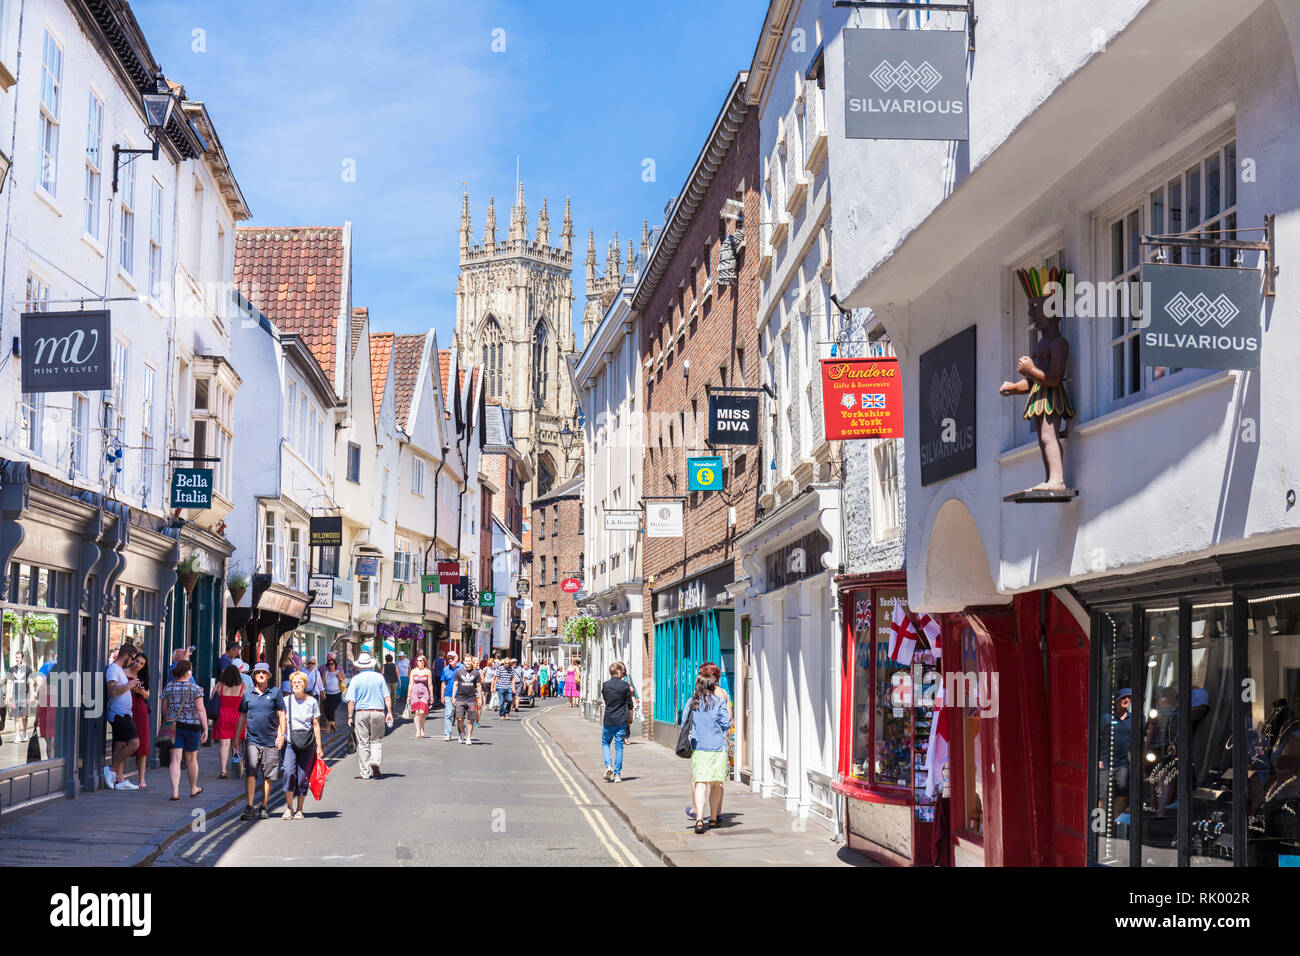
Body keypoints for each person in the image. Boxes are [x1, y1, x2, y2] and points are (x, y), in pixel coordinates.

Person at [683, 673, 731, 834]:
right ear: (711, 686)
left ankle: (699, 819)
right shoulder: (718, 702)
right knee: (716, 784)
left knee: (700, 783)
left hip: (699, 748)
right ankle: (713, 819)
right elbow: (726, 723)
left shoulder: (692, 703)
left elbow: (684, 722)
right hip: (717, 748)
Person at [239, 663, 286, 820]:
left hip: (270, 740)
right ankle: (250, 806)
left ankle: (264, 805)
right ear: (254, 676)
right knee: (250, 773)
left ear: (268, 676)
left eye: (263, 672)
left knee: (268, 775)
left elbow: (281, 714)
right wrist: (236, 736)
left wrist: (281, 735)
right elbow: (242, 716)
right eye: (258, 672)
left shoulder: (275, 693)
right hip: (252, 739)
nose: (260, 674)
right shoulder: (248, 694)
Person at [161, 660, 209, 800]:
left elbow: (164, 708)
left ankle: (175, 792)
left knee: (175, 760)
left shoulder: (169, 687)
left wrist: (167, 719)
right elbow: (200, 710)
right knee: (191, 760)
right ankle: (193, 788)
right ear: (188, 672)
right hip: (192, 727)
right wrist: (205, 728)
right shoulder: (195, 689)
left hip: (174, 727)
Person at [281, 671, 324, 819]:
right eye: (294, 682)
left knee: (302, 777)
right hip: (290, 742)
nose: (296, 684)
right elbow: (282, 721)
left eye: (299, 682)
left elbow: (316, 724)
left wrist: (319, 747)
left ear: (305, 685)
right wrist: (280, 736)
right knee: (288, 772)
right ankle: (289, 807)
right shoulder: (286, 701)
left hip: (307, 743)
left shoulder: (311, 701)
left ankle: (299, 809)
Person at [345, 652, 393, 779]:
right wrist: (390, 712)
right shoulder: (379, 678)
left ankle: (365, 772)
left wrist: (350, 717)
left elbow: (351, 701)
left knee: (363, 742)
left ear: (359, 666)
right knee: (376, 740)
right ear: (371, 665)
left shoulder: (355, 679)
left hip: (361, 713)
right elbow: (387, 696)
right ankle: (375, 761)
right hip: (378, 712)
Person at [104, 643, 141, 790]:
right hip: (120, 715)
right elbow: (112, 691)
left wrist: (131, 687)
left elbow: (121, 690)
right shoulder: (113, 669)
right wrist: (129, 686)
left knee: (119, 746)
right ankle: (111, 769)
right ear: (126, 656)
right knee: (134, 743)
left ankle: (119, 780)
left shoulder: (118, 670)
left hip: (123, 713)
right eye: (132, 658)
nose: (132, 662)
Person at [600, 662, 634, 783]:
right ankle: (617, 774)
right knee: (619, 746)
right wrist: (630, 717)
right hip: (621, 720)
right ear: (618, 672)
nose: (623, 674)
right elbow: (630, 704)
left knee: (605, 743)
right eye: (622, 672)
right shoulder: (625, 686)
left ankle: (609, 765)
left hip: (609, 719)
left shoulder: (605, 685)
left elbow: (606, 700)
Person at [211, 664, 246, 779]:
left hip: (223, 716)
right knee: (236, 744)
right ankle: (237, 766)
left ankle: (223, 770)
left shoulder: (220, 685)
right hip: (237, 717)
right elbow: (246, 703)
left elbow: (212, 699)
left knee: (224, 744)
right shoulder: (242, 686)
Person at [127, 652, 151, 789]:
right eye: (137, 661)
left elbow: (147, 695)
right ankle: (119, 776)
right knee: (125, 743)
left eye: (141, 663)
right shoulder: (123, 672)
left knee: (142, 743)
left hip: (140, 709)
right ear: (132, 659)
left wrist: (140, 691)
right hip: (126, 709)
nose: (138, 665)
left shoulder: (142, 676)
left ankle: (141, 779)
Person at [453, 656, 482, 744]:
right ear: (463, 662)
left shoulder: (476, 673)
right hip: (460, 698)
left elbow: (478, 686)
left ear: (471, 662)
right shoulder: (459, 672)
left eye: (469, 661)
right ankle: (462, 732)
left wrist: (480, 698)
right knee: (460, 718)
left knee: (470, 719)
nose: (468, 662)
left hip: (471, 699)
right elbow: (455, 685)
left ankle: (468, 737)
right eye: (466, 661)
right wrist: (453, 697)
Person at [6, 650, 33, 742]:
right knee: (16, 717)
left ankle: (25, 732)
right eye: (16, 657)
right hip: (15, 696)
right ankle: (17, 735)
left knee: (24, 716)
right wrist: (7, 695)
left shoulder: (28, 669)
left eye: (18, 657)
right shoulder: (11, 669)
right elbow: (9, 683)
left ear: (22, 658)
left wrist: (32, 695)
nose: (17, 659)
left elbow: (31, 683)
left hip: (25, 696)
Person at [408, 654, 434, 738]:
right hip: (414, 692)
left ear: (424, 662)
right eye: (417, 661)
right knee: (416, 712)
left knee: (422, 712)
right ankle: (418, 730)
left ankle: (422, 728)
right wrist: (408, 695)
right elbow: (410, 684)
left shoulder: (427, 672)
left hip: (424, 692)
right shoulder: (413, 671)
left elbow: (430, 685)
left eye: (421, 660)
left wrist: (432, 696)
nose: (419, 662)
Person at [440, 651, 463, 740]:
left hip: (460, 695)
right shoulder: (445, 669)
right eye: (448, 658)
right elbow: (443, 683)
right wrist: (442, 696)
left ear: (456, 658)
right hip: (448, 695)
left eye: (452, 658)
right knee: (448, 714)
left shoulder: (462, 668)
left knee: (459, 716)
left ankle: (461, 733)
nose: (450, 660)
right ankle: (447, 734)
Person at [321, 655, 346, 733]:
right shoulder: (325, 673)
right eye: (329, 664)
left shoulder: (338, 672)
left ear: (335, 665)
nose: (331, 665)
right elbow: (322, 684)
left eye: (332, 664)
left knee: (331, 709)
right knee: (327, 710)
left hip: (336, 694)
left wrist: (340, 678)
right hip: (327, 694)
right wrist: (322, 692)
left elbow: (345, 681)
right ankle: (333, 724)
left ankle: (328, 727)